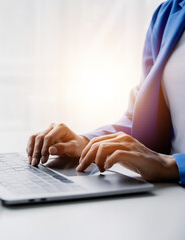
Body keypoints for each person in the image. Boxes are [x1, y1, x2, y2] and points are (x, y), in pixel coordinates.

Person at [26, 0, 185, 184]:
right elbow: (141, 119)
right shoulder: (168, 14)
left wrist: (172, 165)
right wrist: (86, 143)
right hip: (169, 194)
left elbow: (162, 163)